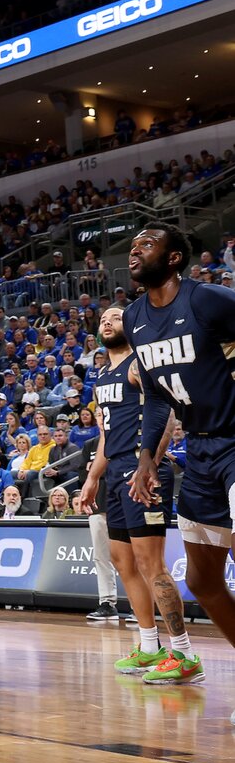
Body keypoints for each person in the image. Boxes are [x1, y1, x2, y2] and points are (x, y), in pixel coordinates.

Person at [124, 222, 233, 690]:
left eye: (146, 245)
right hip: (199, 449)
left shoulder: (206, 299)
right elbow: (156, 397)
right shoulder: (134, 317)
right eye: (131, 246)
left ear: (172, 258)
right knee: (205, 582)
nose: (134, 252)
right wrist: (148, 457)